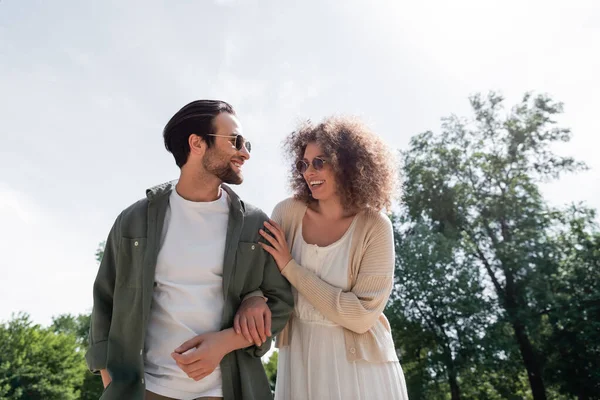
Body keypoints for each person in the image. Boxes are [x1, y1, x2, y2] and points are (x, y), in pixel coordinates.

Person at [86, 100, 294, 400]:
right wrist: (110, 378)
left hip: (225, 390)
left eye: (246, 143)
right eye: (235, 141)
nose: (245, 153)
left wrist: (229, 338)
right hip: (147, 390)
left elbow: (281, 301)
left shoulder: (254, 224)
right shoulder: (134, 220)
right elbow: (105, 299)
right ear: (197, 143)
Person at [234, 116, 409, 399]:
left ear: (350, 163)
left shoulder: (375, 226)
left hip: (363, 370)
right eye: (304, 164)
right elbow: (257, 277)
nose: (309, 172)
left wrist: (291, 267)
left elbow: (361, 316)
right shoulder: (287, 213)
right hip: (299, 359)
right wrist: (254, 296)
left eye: (320, 162)